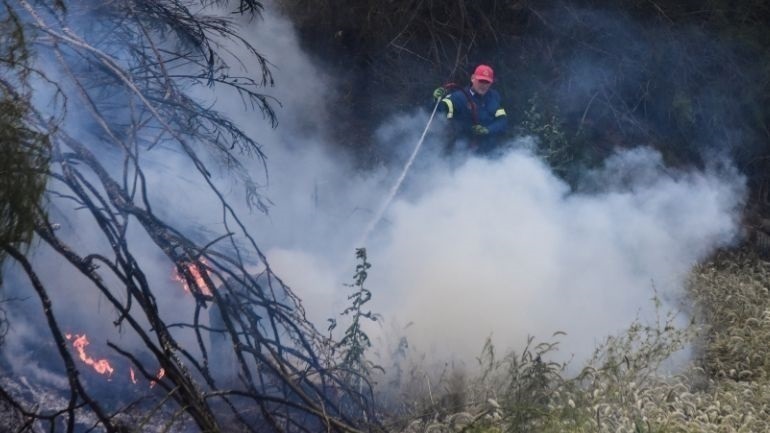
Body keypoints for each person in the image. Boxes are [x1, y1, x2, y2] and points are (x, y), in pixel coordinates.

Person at [433, 64, 508, 155]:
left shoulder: (494, 97)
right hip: (464, 153)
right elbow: (439, 111)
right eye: (481, 81)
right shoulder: (458, 97)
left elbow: (502, 121)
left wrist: (488, 130)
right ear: (473, 78)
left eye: (487, 82)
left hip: (490, 153)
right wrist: (436, 99)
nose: (483, 85)